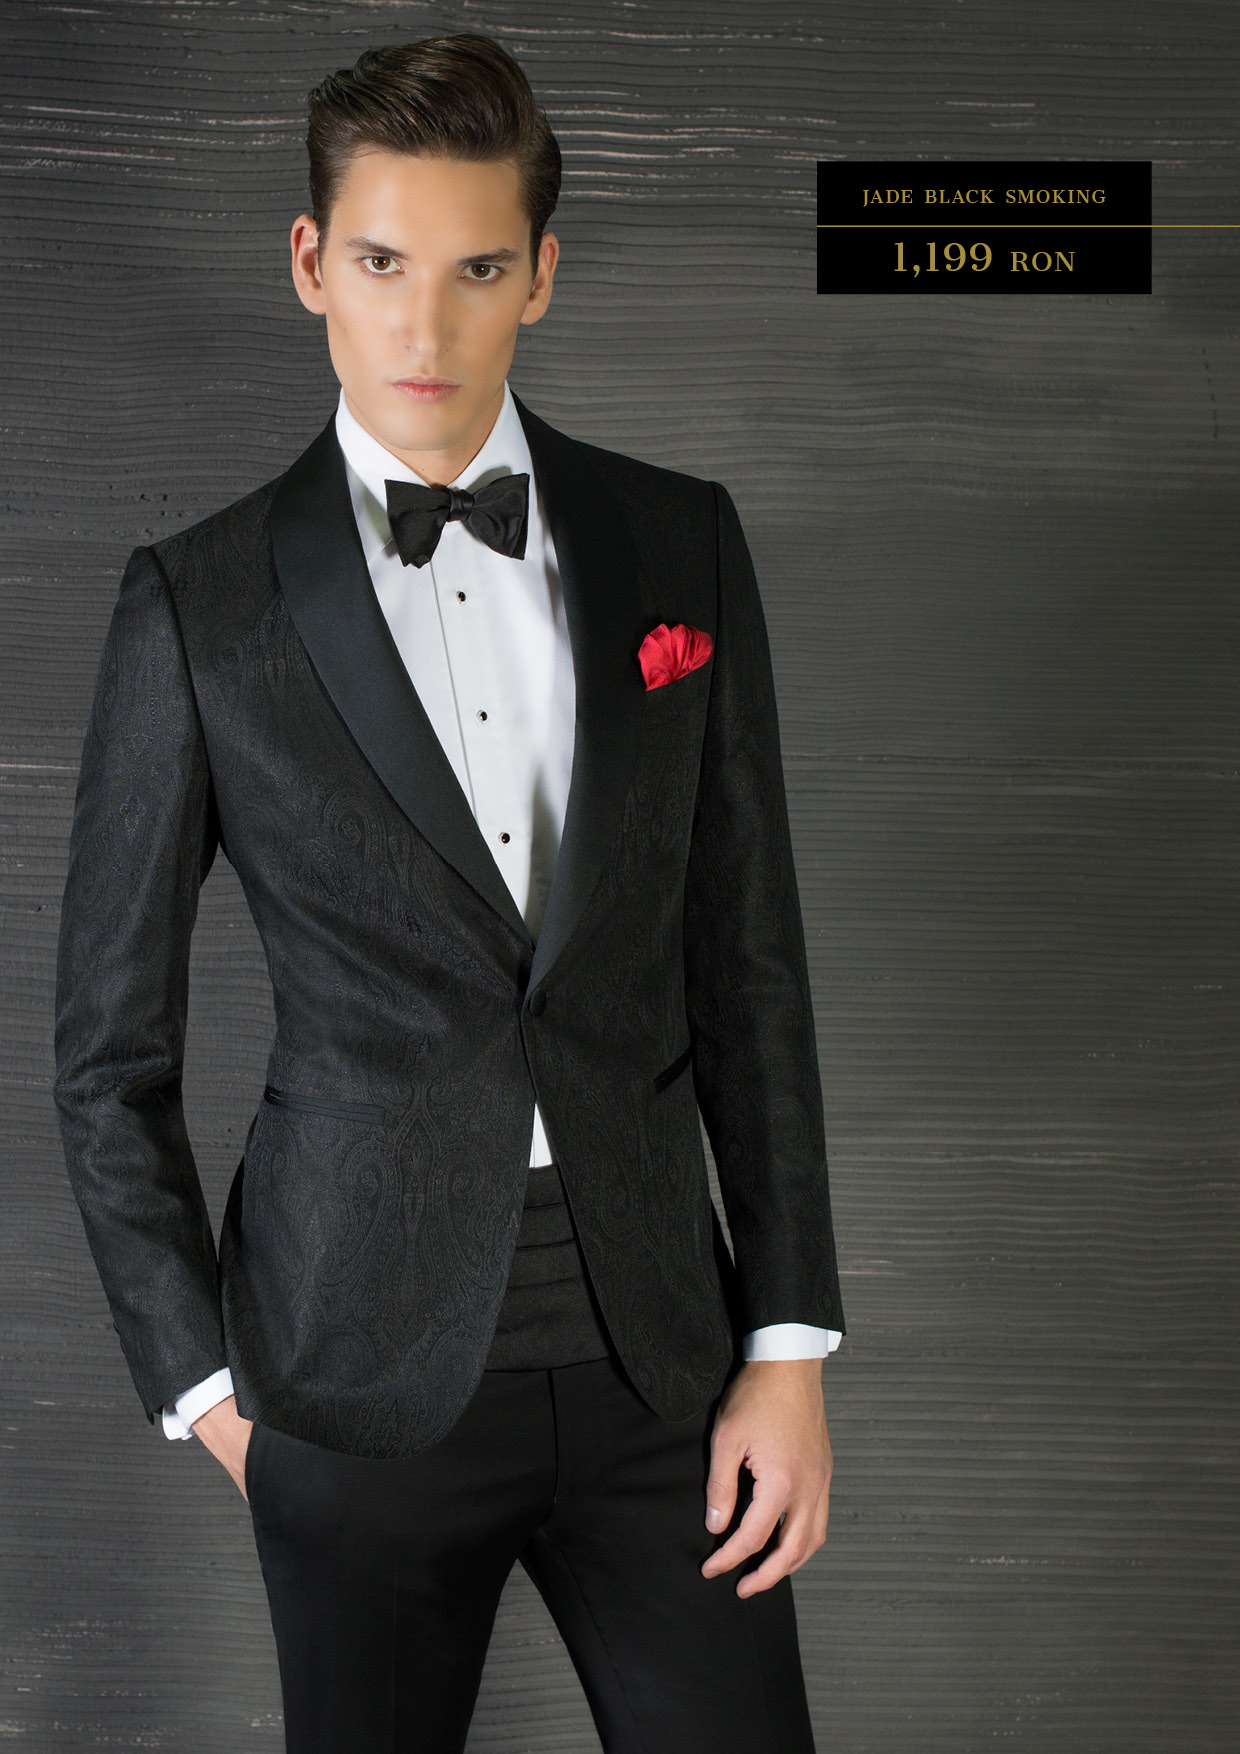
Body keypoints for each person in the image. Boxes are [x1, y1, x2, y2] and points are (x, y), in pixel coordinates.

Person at [53, 32, 844, 1754]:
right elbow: (106, 1057)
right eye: (382, 264)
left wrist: (787, 1347)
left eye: (478, 270)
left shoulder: (683, 542)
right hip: (348, 1381)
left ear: (541, 275)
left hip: (667, 1358)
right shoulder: (197, 605)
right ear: (309, 263)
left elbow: (750, 970)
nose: (426, 326)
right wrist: (214, 1397)